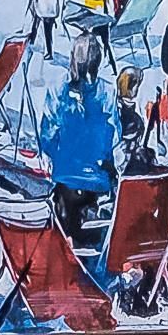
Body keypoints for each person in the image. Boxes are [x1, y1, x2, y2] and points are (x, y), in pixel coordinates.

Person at [43, 52, 118, 243]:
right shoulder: (108, 91)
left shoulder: (58, 89)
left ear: (73, 59)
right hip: (98, 181)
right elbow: (116, 136)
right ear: (98, 62)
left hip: (65, 178)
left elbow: (47, 137)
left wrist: (59, 157)